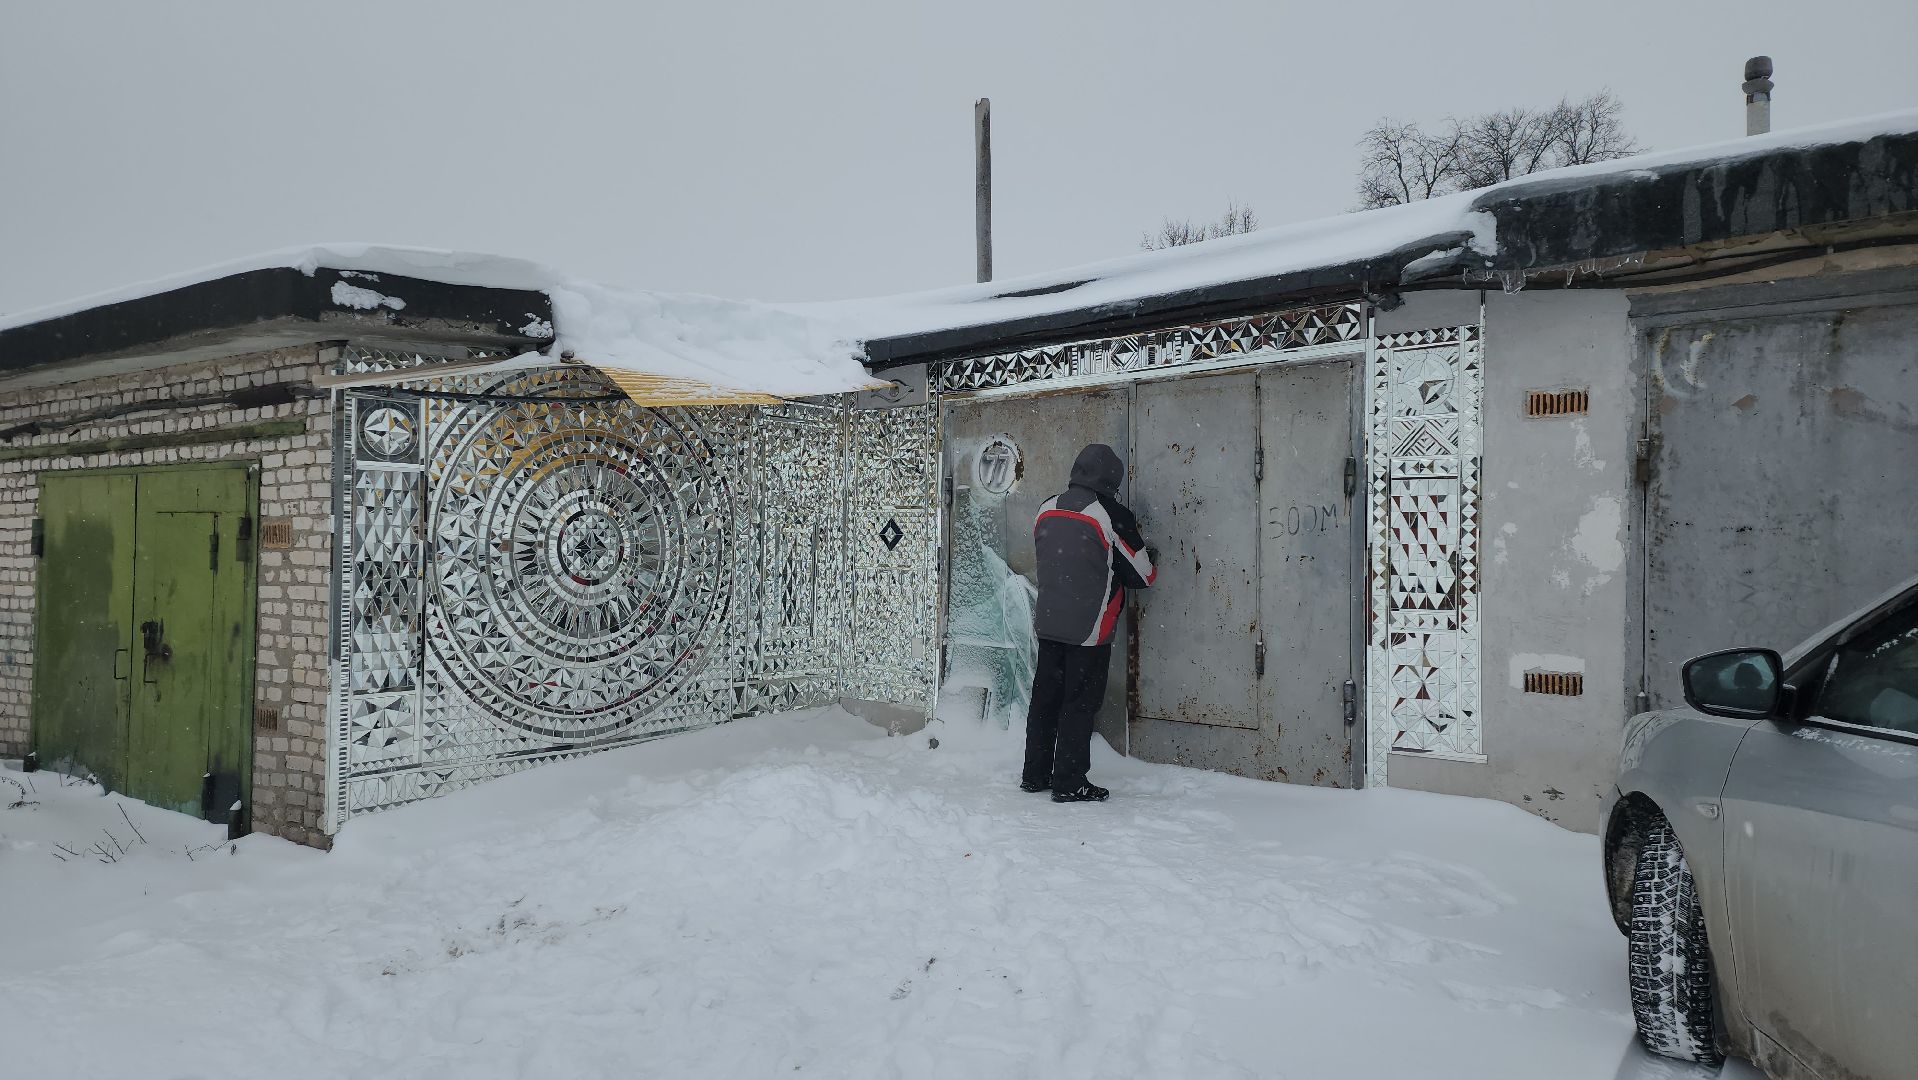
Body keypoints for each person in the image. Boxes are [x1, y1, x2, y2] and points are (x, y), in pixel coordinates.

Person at [1021, 443, 1157, 803]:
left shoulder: (1046, 507)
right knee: (1078, 704)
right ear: (1112, 479)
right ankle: (1069, 781)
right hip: (1090, 630)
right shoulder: (1112, 515)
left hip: (1049, 622)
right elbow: (1143, 576)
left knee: (1045, 700)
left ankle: (1034, 774)